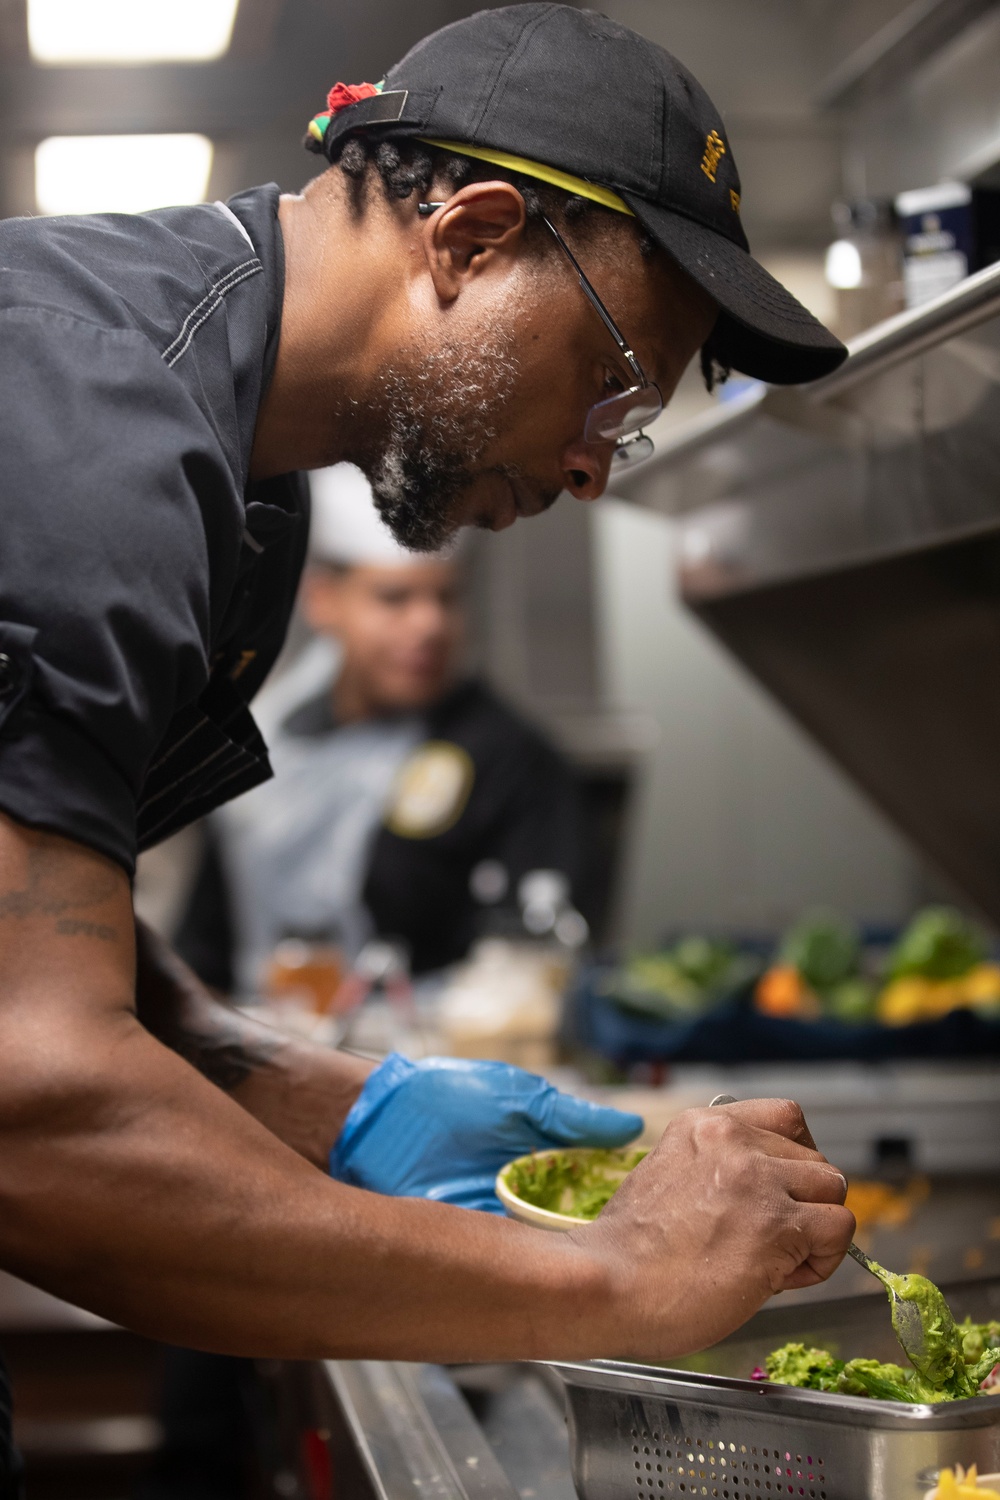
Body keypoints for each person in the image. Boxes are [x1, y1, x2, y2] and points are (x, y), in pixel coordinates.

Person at [0, 8, 854, 1492]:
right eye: (613, 385)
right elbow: (32, 1111)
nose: (596, 464)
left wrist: (346, 1100)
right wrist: (620, 1282)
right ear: (468, 237)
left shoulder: (241, 499)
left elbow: (64, 972)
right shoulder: (90, 430)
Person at [176, 462, 586, 991]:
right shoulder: (260, 737)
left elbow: (530, 966)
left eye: (447, 598)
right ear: (324, 601)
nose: (429, 625)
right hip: (264, 1040)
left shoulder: (508, 757)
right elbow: (206, 944)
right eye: (395, 598)